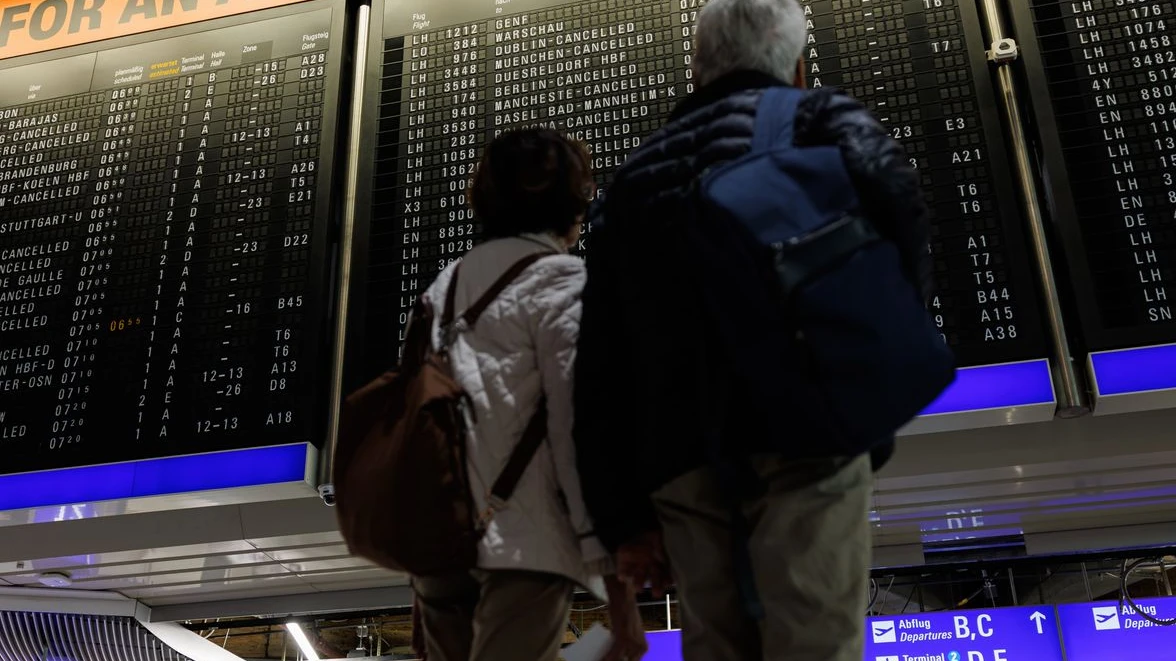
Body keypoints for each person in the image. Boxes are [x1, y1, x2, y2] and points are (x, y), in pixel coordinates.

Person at [573, 1, 932, 660]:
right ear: (797, 66)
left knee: (716, 644)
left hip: (680, 456)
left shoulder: (632, 182)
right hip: (808, 424)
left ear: (696, 69)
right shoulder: (822, 121)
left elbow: (598, 364)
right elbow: (901, 220)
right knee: (813, 634)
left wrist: (622, 517)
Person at [410, 128, 647, 661]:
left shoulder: (444, 288)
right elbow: (579, 434)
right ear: (573, 199)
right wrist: (620, 597)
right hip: (522, 545)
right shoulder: (564, 282)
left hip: (440, 548)